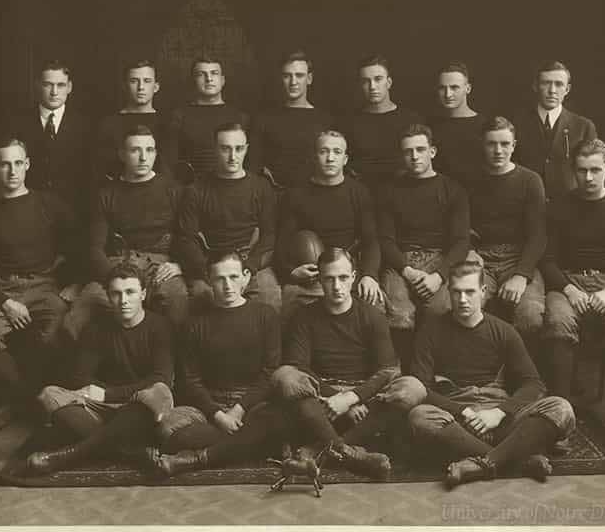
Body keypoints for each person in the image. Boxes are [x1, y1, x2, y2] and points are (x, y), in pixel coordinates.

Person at [408, 261, 576, 489]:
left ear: (483, 292)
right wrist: (463, 412)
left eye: (470, 292)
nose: (463, 300)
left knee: (561, 408)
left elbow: (533, 384)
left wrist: (498, 413)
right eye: (456, 292)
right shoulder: (431, 330)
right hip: (456, 421)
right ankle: (519, 461)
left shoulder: (504, 330)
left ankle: (481, 463)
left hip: (501, 419)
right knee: (419, 416)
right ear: (448, 292)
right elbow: (421, 388)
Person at [272, 248, 427, 480]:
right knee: (285, 376)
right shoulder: (304, 316)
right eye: (329, 278)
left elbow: (387, 371)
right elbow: (299, 367)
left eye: (343, 278)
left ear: (353, 277)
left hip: (362, 395)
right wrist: (336, 397)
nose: (337, 286)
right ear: (320, 280)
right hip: (321, 396)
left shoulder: (372, 316)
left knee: (413, 388)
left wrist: (352, 398)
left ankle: (316, 449)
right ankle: (348, 453)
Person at [541, 139, 605, 458]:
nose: (588, 178)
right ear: (574, 171)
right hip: (568, 281)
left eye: (595, 170)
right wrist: (570, 289)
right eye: (582, 171)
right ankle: (560, 418)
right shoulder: (559, 207)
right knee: (558, 323)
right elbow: (546, 259)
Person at [0, 138, 79, 430]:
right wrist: (5, 303)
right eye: (4, 164)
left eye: (18, 163)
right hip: (3, 288)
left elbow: (83, 242)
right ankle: (26, 401)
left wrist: (75, 284)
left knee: (60, 323)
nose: (12, 171)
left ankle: (25, 403)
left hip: (44, 284)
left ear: (27, 165)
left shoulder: (48, 203)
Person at [26, 262, 175, 474]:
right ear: (107, 295)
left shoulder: (160, 326)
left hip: (139, 405)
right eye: (116, 293)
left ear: (143, 294)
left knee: (160, 393)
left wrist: (106, 393)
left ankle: (70, 454)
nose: (123, 300)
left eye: (130, 292)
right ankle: (128, 451)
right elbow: (80, 377)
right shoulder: (96, 328)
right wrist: (104, 398)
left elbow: (161, 377)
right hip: (102, 408)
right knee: (49, 395)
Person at [149, 252, 290, 474]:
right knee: (165, 428)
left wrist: (239, 409)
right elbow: (190, 379)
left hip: (251, 405)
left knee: (280, 420)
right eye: (219, 279)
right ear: (209, 280)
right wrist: (218, 415)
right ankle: (248, 444)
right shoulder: (195, 323)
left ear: (245, 277)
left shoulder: (265, 315)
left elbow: (269, 372)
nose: (227, 285)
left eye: (233, 277)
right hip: (207, 406)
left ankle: (198, 458)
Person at [63, 125, 187, 340]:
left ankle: (170, 369)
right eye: (135, 150)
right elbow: (95, 248)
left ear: (156, 153)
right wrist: (114, 277)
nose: (143, 157)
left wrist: (179, 265)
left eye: (149, 150)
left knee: (177, 300)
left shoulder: (174, 189)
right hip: (118, 263)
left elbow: (187, 236)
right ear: (121, 154)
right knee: (78, 316)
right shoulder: (106, 194)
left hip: (161, 265)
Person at [377, 123, 470, 372]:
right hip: (401, 263)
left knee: (440, 313)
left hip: (439, 261)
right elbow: (385, 240)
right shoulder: (389, 191)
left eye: (420, 149)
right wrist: (406, 270)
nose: (414, 156)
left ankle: (433, 376)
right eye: (408, 151)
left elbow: (461, 241)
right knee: (400, 316)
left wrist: (439, 276)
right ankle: (402, 376)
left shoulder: (453, 190)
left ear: (433, 151)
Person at [276, 130, 383, 320]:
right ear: (314, 156)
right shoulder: (296, 195)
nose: (330, 158)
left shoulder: (359, 193)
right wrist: (291, 271)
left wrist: (369, 275)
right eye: (324, 151)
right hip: (312, 273)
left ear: (345, 158)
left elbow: (371, 241)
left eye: (337, 152)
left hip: (347, 270)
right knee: (291, 307)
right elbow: (282, 243)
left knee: (376, 306)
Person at [178, 122, 281, 312]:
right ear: (214, 150)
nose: (233, 156)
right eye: (226, 149)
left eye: (239, 149)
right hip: (211, 264)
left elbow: (269, 236)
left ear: (246, 149)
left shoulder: (261, 187)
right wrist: (206, 270)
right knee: (202, 298)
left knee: (269, 297)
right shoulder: (195, 190)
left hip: (248, 262)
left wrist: (249, 267)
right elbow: (187, 239)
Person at [467, 116, 547, 360]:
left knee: (530, 314)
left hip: (519, 257)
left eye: (504, 144)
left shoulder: (530, 181)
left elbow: (538, 235)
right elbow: (460, 226)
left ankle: (523, 376)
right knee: (459, 307)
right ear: (483, 145)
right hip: (480, 258)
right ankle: (478, 375)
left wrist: (522, 275)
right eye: (492, 144)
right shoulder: (469, 179)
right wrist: (469, 250)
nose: (498, 150)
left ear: (514, 145)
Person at [10, 59, 92, 218]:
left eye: (60, 85)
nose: (54, 92)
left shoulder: (86, 126)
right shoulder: (18, 123)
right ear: (37, 86)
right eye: (48, 85)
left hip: (73, 213)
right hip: (29, 211)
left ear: (69, 87)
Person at [513, 60, 597, 200]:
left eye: (559, 84)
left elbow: (592, 171)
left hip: (571, 208)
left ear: (567, 89)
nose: (552, 90)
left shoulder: (584, 127)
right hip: (526, 204)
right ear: (535, 86)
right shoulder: (517, 124)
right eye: (546, 83)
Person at [251, 50, 333, 189]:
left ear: (309, 79)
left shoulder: (325, 120)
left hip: (316, 195)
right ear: (280, 78)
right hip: (274, 196)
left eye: (299, 75)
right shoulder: (263, 119)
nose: (293, 82)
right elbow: (254, 165)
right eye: (287, 76)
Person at [341, 54, 422, 191]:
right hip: (361, 194)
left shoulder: (411, 120)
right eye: (366, 81)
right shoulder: (349, 123)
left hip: (404, 193)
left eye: (378, 79)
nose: (372, 86)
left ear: (389, 82)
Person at [164, 56, 250, 180]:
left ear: (222, 80)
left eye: (214, 73)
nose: (209, 79)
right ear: (193, 80)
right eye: (201, 74)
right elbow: (169, 160)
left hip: (230, 185)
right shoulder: (179, 116)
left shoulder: (240, 117)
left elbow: (248, 162)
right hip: (191, 187)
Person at [94, 58, 170, 184]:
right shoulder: (108, 124)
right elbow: (102, 168)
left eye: (147, 81)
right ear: (124, 86)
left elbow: (168, 169)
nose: (141, 87)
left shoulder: (167, 123)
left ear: (156, 87)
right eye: (134, 81)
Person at [427, 62, 485, 189]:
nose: (448, 94)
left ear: (468, 89)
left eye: (454, 87)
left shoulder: (484, 126)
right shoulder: (429, 127)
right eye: (442, 88)